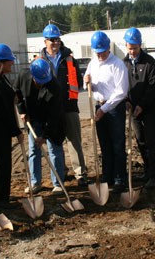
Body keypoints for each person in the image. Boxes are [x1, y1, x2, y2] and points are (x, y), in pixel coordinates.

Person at [38, 24, 87, 186]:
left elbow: (78, 82)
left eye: (57, 39)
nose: (55, 43)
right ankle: (61, 172)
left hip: (69, 106)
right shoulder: (39, 62)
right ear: (45, 41)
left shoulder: (70, 59)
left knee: (74, 141)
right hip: (49, 110)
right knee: (55, 143)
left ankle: (80, 174)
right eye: (52, 40)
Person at [83, 31, 129, 192]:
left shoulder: (117, 64)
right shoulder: (92, 63)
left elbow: (121, 92)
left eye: (102, 51)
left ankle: (119, 178)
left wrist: (104, 109)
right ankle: (107, 175)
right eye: (97, 52)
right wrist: (86, 82)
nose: (100, 54)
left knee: (117, 144)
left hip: (114, 108)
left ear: (108, 48)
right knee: (104, 144)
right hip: (99, 106)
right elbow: (90, 85)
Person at [15, 58, 66, 195]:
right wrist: (22, 110)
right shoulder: (23, 76)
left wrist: (44, 136)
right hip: (33, 119)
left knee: (54, 150)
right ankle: (35, 182)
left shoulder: (54, 86)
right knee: (33, 151)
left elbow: (54, 116)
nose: (42, 83)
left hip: (51, 121)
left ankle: (58, 183)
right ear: (32, 75)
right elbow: (17, 93)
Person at [122, 27, 155, 188]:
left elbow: (152, 87)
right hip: (132, 110)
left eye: (135, 48)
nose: (132, 52)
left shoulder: (150, 63)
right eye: (130, 48)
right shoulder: (123, 64)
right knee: (140, 141)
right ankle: (147, 170)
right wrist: (126, 100)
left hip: (149, 108)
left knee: (151, 140)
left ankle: (154, 174)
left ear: (140, 45)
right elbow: (121, 85)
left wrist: (141, 105)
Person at [0, 43, 24, 208]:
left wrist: (15, 96)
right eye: (9, 61)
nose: (12, 63)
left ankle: (3, 195)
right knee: (2, 163)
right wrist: (17, 132)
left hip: (1, 126)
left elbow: (9, 98)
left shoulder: (1, 79)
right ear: (0, 63)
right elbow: (6, 114)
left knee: (4, 162)